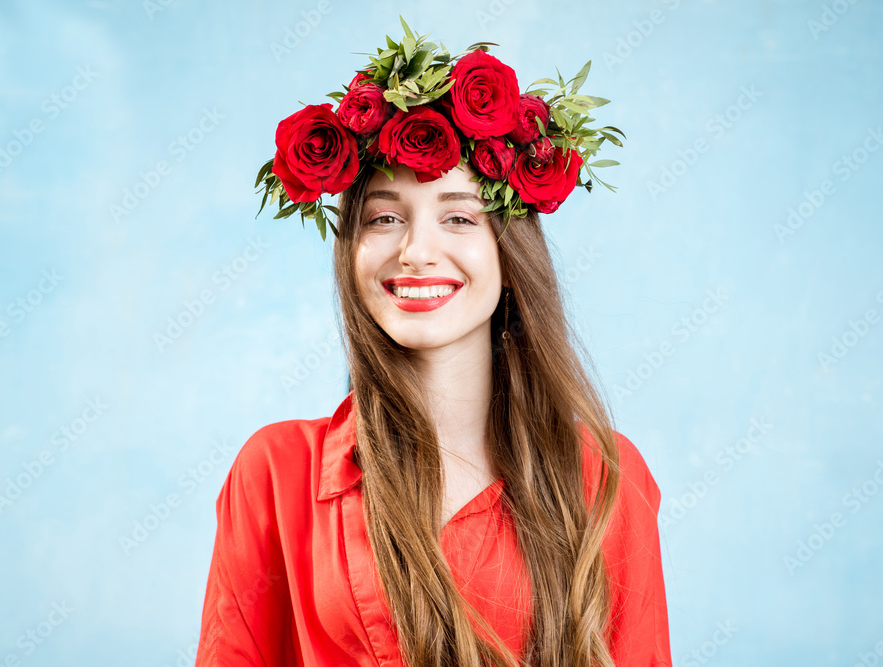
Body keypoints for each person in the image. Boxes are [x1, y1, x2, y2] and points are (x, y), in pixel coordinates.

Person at [194, 18, 671, 667]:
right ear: (351, 248)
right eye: (385, 217)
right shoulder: (275, 471)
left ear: (510, 250)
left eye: (457, 216)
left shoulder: (606, 478)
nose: (416, 251)